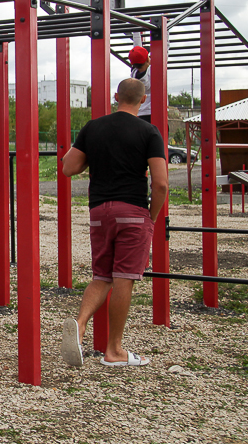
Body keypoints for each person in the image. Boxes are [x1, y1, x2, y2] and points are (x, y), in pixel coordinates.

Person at [60, 78, 168, 367]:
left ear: (115, 96)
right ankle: (114, 350)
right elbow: (160, 184)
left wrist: (94, 155)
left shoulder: (93, 128)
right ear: (143, 100)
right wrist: (152, 217)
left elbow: (68, 167)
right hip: (132, 210)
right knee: (124, 278)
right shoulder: (149, 132)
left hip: (99, 212)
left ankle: (80, 325)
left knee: (102, 275)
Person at [129, 45, 151, 123]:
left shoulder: (134, 74)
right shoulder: (152, 71)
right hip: (154, 111)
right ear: (148, 59)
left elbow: (136, 50)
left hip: (141, 112)